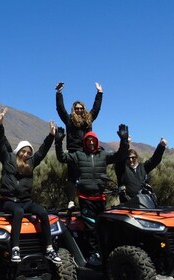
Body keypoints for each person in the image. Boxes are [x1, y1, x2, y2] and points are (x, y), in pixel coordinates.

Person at [55, 124, 129, 265]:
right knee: (90, 227)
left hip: (100, 198)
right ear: (84, 142)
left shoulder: (103, 155)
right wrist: (58, 141)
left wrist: (124, 140)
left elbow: (120, 155)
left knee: (102, 227)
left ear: (96, 142)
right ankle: (92, 255)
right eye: (88, 140)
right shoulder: (79, 155)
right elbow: (62, 158)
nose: (90, 142)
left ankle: (104, 252)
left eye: (93, 140)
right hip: (85, 198)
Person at [0, 107, 61, 264]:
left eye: (28, 152)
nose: (26, 154)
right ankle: (15, 248)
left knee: (43, 213)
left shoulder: (31, 163)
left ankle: (49, 248)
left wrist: (51, 135)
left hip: (25, 200)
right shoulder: (8, 158)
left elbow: (42, 152)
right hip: (8, 200)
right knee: (17, 211)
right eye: (23, 151)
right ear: (18, 151)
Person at [55, 82, 103, 209]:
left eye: (81, 108)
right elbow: (60, 109)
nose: (79, 110)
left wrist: (99, 93)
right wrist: (59, 93)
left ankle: (86, 198)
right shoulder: (69, 119)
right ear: (73, 109)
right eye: (77, 108)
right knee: (72, 177)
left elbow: (96, 109)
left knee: (86, 176)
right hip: (73, 152)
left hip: (87, 152)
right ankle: (71, 201)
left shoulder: (88, 120)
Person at [115, 137, 167, 202]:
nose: (131, 160)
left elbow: (154, 160)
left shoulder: (143, 168)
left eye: (133, 157)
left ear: (136, 158)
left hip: (144, 204)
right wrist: (125, 143)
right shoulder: (122, 170)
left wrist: (161, 146)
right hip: (126, 205)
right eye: (128, 158)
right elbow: (120, 159)